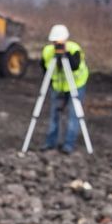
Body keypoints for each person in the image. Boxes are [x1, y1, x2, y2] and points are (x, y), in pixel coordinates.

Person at [41, 24, 89, 154]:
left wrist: (65, 55)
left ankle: (69, 144)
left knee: (74, 115)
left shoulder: (74, 49)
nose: (57, 45)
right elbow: (45, 70)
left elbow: (74, 66)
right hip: (58, 87)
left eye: (59, 42)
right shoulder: (47, 52)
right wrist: (51, 85)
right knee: (54, 115)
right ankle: (50, 142)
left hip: (76, 85)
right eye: (55, 42)